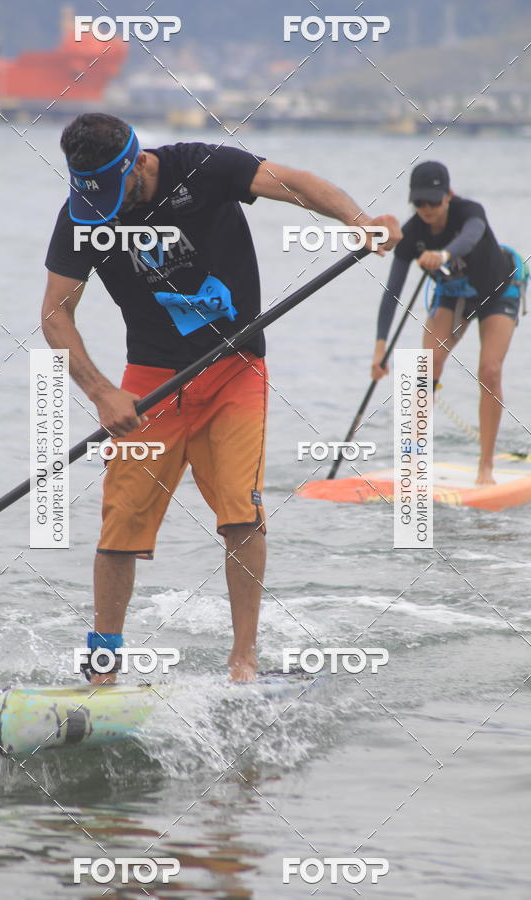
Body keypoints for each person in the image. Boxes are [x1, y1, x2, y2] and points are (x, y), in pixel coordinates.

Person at [42, 112, 401, 683]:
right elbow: (55, 316)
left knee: (241, 515)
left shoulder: (203, 167)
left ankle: (243, 660)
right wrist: (102, 391)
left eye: (114, 193)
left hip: (234, 371)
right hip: (148, 384)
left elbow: (297, 183)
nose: (107, 210)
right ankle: (103, 666)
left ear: (137, 161)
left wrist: (358, 222)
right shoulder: (81, 216)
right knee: (120, 527)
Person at [371, 161, 526, 485]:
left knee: (490, 371)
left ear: (448, 196)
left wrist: (441, 256)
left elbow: (470, 238)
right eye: (419, 202)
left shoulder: (470, 211)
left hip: (499, 290)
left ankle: (486, 468)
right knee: (425, 368)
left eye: (434, 201)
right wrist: (380, 346)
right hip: (454, 296)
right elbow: (392, 293)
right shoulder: (411, 233)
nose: (427, 209)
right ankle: (413, 463)